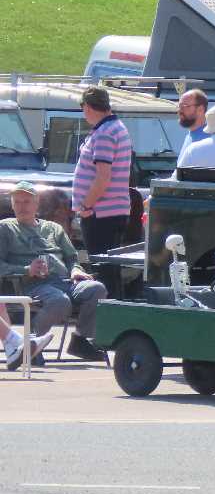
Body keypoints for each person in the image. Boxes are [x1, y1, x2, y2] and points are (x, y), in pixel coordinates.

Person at [0, 181, 108, 361]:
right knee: (60, 301)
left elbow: (72, 258)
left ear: (36, 204)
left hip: (66, 281)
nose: (21, 206)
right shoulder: (5, 228)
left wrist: (75, 270)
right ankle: (33, 342)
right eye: (17, 202)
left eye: (26, 202)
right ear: (12, 204)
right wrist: (26, 270)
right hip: (33, 284)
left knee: (97, 289)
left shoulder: (53, 228)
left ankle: (80, 340)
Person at [73, 85, 132, 296]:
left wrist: (86, 205)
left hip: (101, 213)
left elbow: (102, 177)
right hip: (112, 211)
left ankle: (107, 317)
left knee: (102, 269)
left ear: (88, 106)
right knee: (110, 270)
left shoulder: (105, 133)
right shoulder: (116, 127)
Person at [175, 88, 210, 164]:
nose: (180, 110)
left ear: (200, 109)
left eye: (185, 106)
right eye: (179, 106)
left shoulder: (207, 141)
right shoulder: (190, 135)